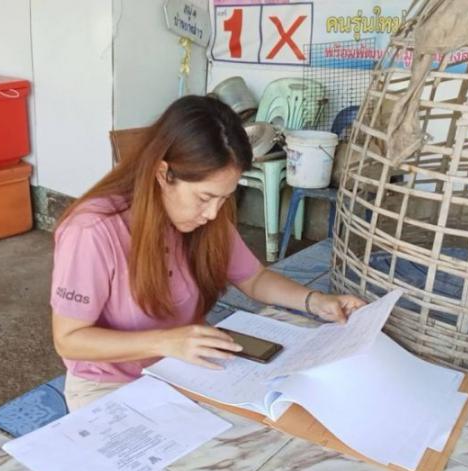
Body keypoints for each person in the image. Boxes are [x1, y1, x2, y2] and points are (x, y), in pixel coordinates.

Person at [51, 95, 365, 410]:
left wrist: (316, 302)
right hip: (110, 385)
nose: (213, 213)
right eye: (204, 198)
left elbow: (254, 279)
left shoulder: (203, 219)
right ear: (163, 174)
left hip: (186, 367)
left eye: (224, 198)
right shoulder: (92, 231)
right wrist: (166, 342)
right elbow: (69, 339)